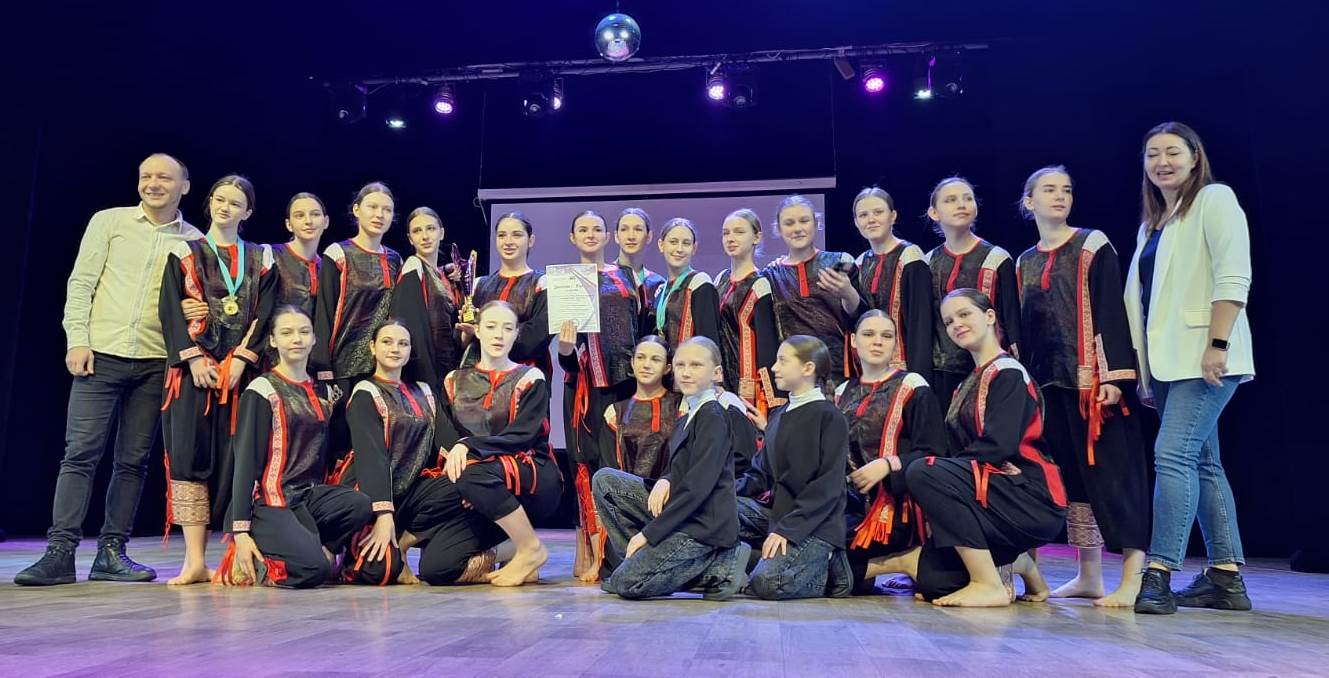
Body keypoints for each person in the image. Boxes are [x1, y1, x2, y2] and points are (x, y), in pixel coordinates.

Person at [16, 153, 202, 586]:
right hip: (101, 353)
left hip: (156, 360)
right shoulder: (109, 221)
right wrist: (77, 339)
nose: (153, 183)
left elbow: (191, 299)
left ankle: (112, 552)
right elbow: (81, 282)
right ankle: (60, 552)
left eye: (164, 177)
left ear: (184, 186)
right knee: (80, 453)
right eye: (146, 176)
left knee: (133, 461)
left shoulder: (194, 239)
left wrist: (195, 311)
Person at [1125, 122, 1255, 615]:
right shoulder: (1154, 223)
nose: (1162, 162)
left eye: (1173, 152)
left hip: (1207, 356)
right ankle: (1225, 577)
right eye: (1152, 154)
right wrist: (1144, 372)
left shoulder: (1214, 200)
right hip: (1168, 363)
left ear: (1195, 157)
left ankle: (1158, 573)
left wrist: (1218, 343)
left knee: (1172, 455)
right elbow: (1146, 301)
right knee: (1202, 461)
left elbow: (1233, 276)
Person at [1014, 166, 1150, 607]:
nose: (1060, 196)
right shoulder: (1024, 261)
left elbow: (1110, 309)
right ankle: (1088, 574)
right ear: (1029, 202)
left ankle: (1133, 576)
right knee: (1073, 480)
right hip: (1050, 384)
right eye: (1049, 190)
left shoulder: (1092, 244)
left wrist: (1113, 377)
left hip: (1094, 384)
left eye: (1067, 190)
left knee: (1114, 477)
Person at [906, 289, 1065, 607]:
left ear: (989, 316)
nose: (956, 324)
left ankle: (988, 583)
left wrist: (947, 477)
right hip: (991, 490)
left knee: (924, 471)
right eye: (949, 321)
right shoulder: (967, 383)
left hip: (1028, 496)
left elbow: (998, 445)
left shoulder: (1008, 373)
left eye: (964, 314)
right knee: (936, 581)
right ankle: (1021, 564)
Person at [157, 174, 276, 585]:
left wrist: (243, 359)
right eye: (220, 200)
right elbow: (170, 310)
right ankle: (193, 560)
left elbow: (267, 312)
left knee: (236, 460)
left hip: (241, 374)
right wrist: (192, 360)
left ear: (248, 212)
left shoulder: (261, 257)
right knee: (189, 458)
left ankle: (232, 558)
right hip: (193, 373)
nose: (226, 208)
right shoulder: (184, 251)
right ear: (209, 202)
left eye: (235, 203)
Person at [218, 307, 373, 588]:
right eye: (287, 333)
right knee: (314, 571)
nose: (296, 339)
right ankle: (263, 562)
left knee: (360, 504)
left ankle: (317, 549)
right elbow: (245, 462)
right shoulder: (262, 389)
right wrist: (240, 531)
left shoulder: (322, 391)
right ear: (273, 340)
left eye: (303, 332)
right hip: (270, 502)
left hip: (307, 497)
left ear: (314, 339)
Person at [593, 337, 750, 600]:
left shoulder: (713, 415)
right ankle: (637, 562)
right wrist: (666, 478)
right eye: (680, 365)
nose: (686, 372)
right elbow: (681, 465)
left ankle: (721, 566)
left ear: (716, 373)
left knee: (624, 583)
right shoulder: (688, 415)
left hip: (702, 525)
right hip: (683, 511)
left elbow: (697, 488)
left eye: (696, 365)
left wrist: (648, 534)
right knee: (605, 480)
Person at [430, 301, 563, 586]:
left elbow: (523, 435)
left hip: (530, 477)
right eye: (491, 327)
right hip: (478, 487)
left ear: (516, 334)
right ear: (477, 331)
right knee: (436, 568)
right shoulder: (453, 381)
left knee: (471, 474)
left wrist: (470, 449)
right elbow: (447, 435)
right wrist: (466, 466)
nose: (498, 335)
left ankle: (530, 548)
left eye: (507, 328)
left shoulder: (531, 378)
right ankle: (513, 550)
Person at [834, 311, 946, 593]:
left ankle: (901, 560)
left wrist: (888, 464)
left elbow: (935, 453)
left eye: (886, 336)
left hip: (893, 511)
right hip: (848, 505)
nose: (877, 342)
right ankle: (869, 570)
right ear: (853, 341)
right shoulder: (842, 391)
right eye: (868, 334)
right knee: (810, 549)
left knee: (818, 558)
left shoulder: (913, 387)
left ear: (896, 344)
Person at [556, 210, 641, 581]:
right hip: (583, 388)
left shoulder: (628, 277)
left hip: (622, 388)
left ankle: (613, 552)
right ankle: (589, 550)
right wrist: (564, 348)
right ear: (572, 238)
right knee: (583, 464)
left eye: (597, 229)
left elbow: (640, 329)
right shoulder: (564, 280)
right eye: (583, 230)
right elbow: (566, 357)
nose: (590, 235)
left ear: (608, 236)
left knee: (616, 464)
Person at [735, 335, 853, 599]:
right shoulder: (779, 415)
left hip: (815, 523)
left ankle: (827, 571)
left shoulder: (830, 417)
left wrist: (787, 530)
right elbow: (759, 474)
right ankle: (755, 563)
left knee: (767, 584)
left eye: (782, 361)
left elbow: (827, 486)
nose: (774, 368)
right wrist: (719, 493)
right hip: (779, 515)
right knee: (712, 508)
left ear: (808, 368)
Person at [336, 320, 444, 586]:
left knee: (463, 481)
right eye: (387, 342)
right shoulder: (366, 392)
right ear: (372, 347)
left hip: (410, 493)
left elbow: (446, 438)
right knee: (381, 571)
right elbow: (372, 459)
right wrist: (384, 516)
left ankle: (404, 544)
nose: (395, 349)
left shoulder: (424, 391)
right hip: (371, 496)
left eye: (403, 343)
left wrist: (461, 450)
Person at [311, 182, 403, 458]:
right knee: (340, 440)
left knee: (374, 441)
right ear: (356, 210)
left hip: (380, 365)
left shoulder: (395, 259)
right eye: (372, 207)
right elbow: (324, 312)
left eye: (387, 210)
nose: (379, 214)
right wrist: (323, 368)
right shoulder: (338, 253)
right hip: (342, 366)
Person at [587, 336, 683, 581]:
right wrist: (597, 558)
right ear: (631, 363)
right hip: (629, 510)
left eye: (655, 359)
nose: (646, 364)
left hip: (670, 504)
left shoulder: (682, 407)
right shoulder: (615, 412)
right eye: (640, 357)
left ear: (668, 368)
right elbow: (607, 475)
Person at [923, 177, 1021, 414]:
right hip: (942, 371)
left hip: (988, 367)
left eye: (968, 198)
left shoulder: (996, 258)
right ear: (934, 213)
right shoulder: (928, 261)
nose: (961, 204)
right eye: (951, 200)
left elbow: (1011, 321)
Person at [762, 195, 862, 389]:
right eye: (789, 223)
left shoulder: (841, 262)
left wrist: (848, 293)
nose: (797, 228)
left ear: (816, 223)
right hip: (794, 373)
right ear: (779, 229)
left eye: (804, 221)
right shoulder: (770, 275)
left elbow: (860, 317)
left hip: (839, 371)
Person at [850, 187, 934, 386]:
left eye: (878, 212)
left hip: (905, 367)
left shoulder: (910, 256)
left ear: (893, 216)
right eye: (863, 215)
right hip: (870, 367)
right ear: (856, 222)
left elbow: (920, 322)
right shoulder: (860, 262)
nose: (871, 219)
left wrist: (918, 378)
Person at [458, 211, 551, 377]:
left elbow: (535, 339)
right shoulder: (478, 285)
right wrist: (466, 334)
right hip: (478, 379)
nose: (508, 242)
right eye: (502, 235)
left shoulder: (543, 284)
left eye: (516, 235)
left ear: (531, 240)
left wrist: (481, 334)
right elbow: (458, 340)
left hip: (525, 379)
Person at [715, 208, 780, 417]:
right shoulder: (720, 279)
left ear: (756, 237)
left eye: (739, 232)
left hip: (748, 384)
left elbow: (767, 345)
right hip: (721, 380)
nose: (730, 238)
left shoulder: (760, 284)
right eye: (726, 233)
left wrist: (772, 401)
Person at [392, 206, 461, 391]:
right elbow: (410, 326)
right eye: (417, 231)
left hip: (447, 368)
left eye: (430, 228)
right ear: (410, 239)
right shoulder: (413, 266)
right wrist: (426, 379)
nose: (425, 236)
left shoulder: (444, 275)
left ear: (442, 233)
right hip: (425, 372)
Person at [653, 218, 722, 350]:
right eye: (673, 242)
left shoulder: (700, 284)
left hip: (691, 361)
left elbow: (709, 341)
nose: (679, 249)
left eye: (686, 243)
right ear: (661, 245)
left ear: (694, 248)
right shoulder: (661, 289)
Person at [613, 207, 667, 335]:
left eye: (638, 229)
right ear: (616, 236)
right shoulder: (605, 279)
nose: (631, 236)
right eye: (624, 229)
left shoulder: (658, 284)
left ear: (649, 236)